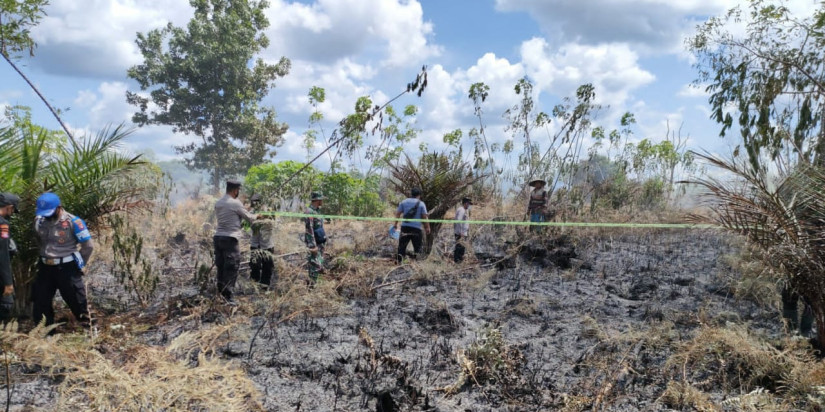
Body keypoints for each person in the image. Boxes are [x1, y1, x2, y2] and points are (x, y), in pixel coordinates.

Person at [32, 192, 94, 327]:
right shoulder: (39, 221)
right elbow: (39, 240)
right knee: (40, 302)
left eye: (49, 212)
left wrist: (78, 265)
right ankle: (45, 334)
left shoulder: (74, 222)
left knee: (78, 302)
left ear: (58, 207)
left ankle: (90, 331)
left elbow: (88, 246)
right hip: (45, 268)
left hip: (67, 268)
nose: (46, 215)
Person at [214, 179, 257, 303]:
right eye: (238, 190)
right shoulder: (235, 203)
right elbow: (250, 218)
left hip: (218, 238)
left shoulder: (219, 202)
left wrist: (245, 210)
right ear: (235, 190)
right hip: (230, 239)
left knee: (221, 267)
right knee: (232, 267)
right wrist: (257, 216)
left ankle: (221, 294)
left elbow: (233, 217)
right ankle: (228, 298)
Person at [394, 188, 430, 263]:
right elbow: (424, 217)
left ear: (411, 194)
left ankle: (399, 262)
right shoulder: (421, 204)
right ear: (419, 195)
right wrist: (427, 227)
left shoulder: (404, 202)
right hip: (416, 229)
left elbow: (398, 213)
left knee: (402, 247)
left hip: (405, 228)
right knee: (418, 248)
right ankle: (418, 264)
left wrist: (395, 224)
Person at [249, 194, 276, 290]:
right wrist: (256, 217)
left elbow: (274, 223)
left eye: (256, 201)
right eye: (253, 201)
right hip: (255, 244)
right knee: (255, 266)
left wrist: (267, 217)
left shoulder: (268, 211)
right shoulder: (251, 212)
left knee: (267, 267)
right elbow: (248, 222)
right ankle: (254, 287)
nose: (254, 203)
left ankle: (265, 287)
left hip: (267, 244)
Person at [0, 193, 20, 320]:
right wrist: (8, 283)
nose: (11, 213)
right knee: (5, 305)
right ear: (9, 207)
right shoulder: (3, 225)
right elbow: (3, 254)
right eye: (12, 210)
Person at [304, 192, 326, 282]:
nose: (322, 201)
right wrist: (313, 246)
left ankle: (317, 283)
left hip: (320, 242)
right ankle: (312, 286)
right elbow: (309, 229)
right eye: (321, 199)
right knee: (314, 265)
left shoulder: (317, 210)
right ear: (317, 200)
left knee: (319, 263)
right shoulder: (309, 212)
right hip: (314, 243)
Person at [453, 197, 472, 263]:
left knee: (461, 248)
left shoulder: (462, 210)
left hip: (461, 233)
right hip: (461, 233)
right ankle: (458, 262)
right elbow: (458, 221)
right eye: (469, 204)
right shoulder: (462, 210)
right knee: (460, 248)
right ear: (466, 203)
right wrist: (461, 232)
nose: (469, 206)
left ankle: (458, 262)